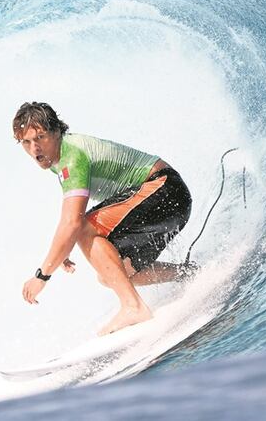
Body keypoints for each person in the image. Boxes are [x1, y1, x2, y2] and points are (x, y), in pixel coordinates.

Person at [13, 102, 195, 336]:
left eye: (41, 137)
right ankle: (189, 273)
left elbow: (73, 222)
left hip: (164, 189)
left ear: (57, 131)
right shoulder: (58, 159)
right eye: (26, 142)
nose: (34, 148)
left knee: (83, 229)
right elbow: (74, 213)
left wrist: (42, 276)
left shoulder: (71, 156)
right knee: (113, 274)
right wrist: (65, 247)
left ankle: (133, 307)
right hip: (170, 200)